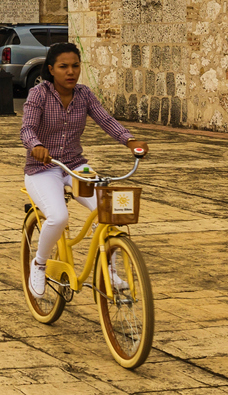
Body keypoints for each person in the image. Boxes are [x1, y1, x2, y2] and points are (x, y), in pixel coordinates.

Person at [21, 42, 147, 298]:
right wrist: (36, 146)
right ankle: (40, 263)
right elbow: (27, 129)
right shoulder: (39, 94)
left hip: (76, 166)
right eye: (63, 67)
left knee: (107, 211)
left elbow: (106, 119)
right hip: (43, 168)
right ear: (51, 70)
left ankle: (108, 270)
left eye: (75, 66)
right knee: (58, 217)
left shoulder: (84, 94)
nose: (71, 72)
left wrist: (130, 141)